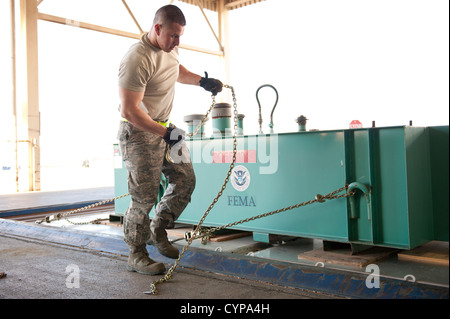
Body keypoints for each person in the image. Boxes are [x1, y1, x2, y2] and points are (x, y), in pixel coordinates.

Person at [117, 4, 223, 275]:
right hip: (140, 132)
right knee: (144, 196)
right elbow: (130, 111)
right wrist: (165, 133)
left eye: (180, 36)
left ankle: (158, 228)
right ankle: (136, 254)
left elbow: (176, 70)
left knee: (185, 179)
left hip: (165, 128)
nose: (177, 42)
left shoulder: (169, 49)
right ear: (157, 28)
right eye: (173, 36)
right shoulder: (137, 58)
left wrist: (202, 81)